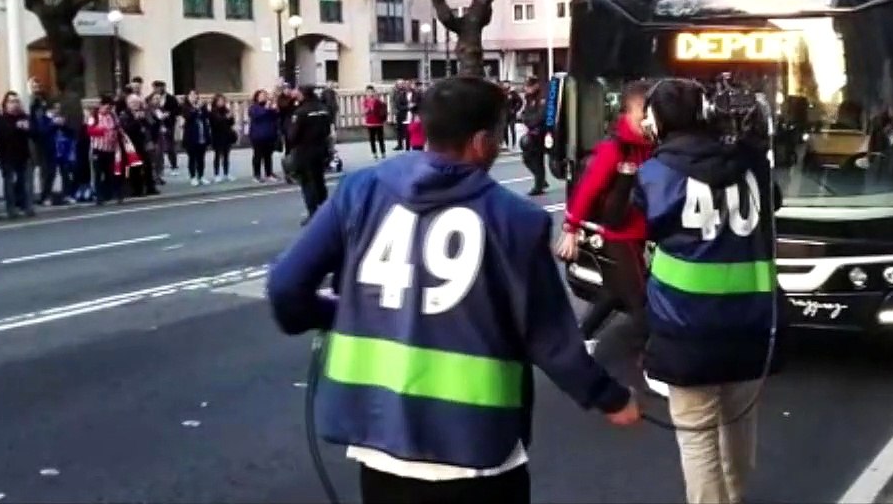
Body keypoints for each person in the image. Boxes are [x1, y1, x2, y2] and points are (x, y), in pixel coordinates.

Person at [266, 76, 639, 504]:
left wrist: (336, 313)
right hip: (478, 445)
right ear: (482, 141)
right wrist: (609, 398)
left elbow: (286, 288)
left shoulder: (359, 190)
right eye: (500, 133)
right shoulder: (515, 220)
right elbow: (550, 338)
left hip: (380, 438)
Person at [635, 78, 778, 504]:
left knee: (698, 439)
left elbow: (645, 220)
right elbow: (774, 204)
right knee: (739, 422)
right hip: (753, 321)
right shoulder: (753, 164)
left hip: (686, 324)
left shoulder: (656, 172)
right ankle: (736, 496)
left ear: (656, 121)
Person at [557, 80, 654, 346]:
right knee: (639, 300)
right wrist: (571, 228)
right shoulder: (614, 148)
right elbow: (588, 189)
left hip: (636, 234)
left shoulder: (649, 146)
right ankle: (658, 364)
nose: (648, 121)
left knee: (612, 293)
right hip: (615, 235)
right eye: (642, 114)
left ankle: (579, 340)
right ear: (626, 114)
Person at [287, 85, 332, 224]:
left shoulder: (300, 112)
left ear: (303, 94)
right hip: (321, 148)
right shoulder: (323, 109)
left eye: (298, 92)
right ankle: (326, 211)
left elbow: (293, 136)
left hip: (304, 150)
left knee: (307, 182)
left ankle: (313, 212)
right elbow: (328, 130)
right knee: (319, 180)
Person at [0, 92, 35, 219]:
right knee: (9, 183)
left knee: (26, 183)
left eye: (16, 101)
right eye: (11, 102)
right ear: (5, 104)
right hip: (7, 155)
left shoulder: (25, 117)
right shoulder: (0, 119)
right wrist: (16, 127)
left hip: (24, 154)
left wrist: (28, 128)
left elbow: (35, 133)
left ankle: (28, 207)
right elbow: (1, 136)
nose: (14, 104)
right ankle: (11, 209)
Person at [87, 96, 122, 205]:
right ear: (101, 105)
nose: (108, 110)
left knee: (111, 173)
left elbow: (118, 126)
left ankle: (111, 194)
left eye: (110, 108)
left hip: (110, 149)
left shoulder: (112, 116)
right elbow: (90, 131)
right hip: (98, 149)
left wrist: (116, 133)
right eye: (107, 108)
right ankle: (99, 197)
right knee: (98, 173)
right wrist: (103, 131)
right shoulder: (94, 116)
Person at [519, 77, 549, 196]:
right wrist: (526, 119)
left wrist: (529, 121)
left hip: (541, 131)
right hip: (532, 131)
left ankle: (539, 186)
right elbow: (525, 114)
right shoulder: (529, 98)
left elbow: (541, 116)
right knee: (527, 158)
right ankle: (541, 181)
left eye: (528, 86)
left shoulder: (542, 97)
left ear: (535, 85)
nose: (526, 89)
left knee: (537, 159)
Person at [247, 90, 281, 182]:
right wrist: (266, 108)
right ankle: (256, 174)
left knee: (268, 156)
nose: (264, 97)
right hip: (257, 136)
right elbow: (256, 116)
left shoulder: (269, 107)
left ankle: (269, 173)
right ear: (257, 97)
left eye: (265, 95)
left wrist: (275, 108)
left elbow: (276, 116)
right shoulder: (253, 107)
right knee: (258, 156)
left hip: (269, 134)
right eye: (261, 96)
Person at [182, 90, 211, 186]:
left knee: (201, 158)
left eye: (196, 95)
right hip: (191, 137)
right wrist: (196, 108)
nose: (194, 97)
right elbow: (188, 117)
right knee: (192, 158)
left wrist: (202, 107)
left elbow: (207, 116)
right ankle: (193, 176)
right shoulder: (186, 107)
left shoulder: (201, 106)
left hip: (202, 134)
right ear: (188, 97)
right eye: (192, 95)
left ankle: (201, 176)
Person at [208, 94, 237, 183]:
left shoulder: (226, 110)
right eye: (220, 101)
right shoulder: (213, 111)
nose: (222, 102)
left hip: (226, 135)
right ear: (216, 102)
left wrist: (231, 117)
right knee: (217, 155)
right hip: (217, 136)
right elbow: (215, 122)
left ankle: (226, 173)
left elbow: (231, 123)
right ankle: (216, 174)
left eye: (223, 101)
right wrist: (225, 118)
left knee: (226, 156)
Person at [362, 85, 388, 159]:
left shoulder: (378, 101)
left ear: (374, 92)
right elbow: (365, 111)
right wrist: (368, 109)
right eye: (368, 92)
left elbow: (383, 110)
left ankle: (383, 152)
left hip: (378, 122)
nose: (370, 93)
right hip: (370, 122)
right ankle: (374, 153)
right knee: (372, 138)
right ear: (366, 93)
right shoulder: (365, 101)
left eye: (371, 92)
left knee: (381, 138)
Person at [391, 80, 410, 151]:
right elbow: (392, 101)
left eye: (402, 83)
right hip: (398, 112)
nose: (401, 85)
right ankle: (400, 144)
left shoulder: (405, 92)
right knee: (399, 129)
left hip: (405, 112)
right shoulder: (394, 91)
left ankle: (407, 144)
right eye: (399, 84)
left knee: (406, 129)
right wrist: (394, 111)